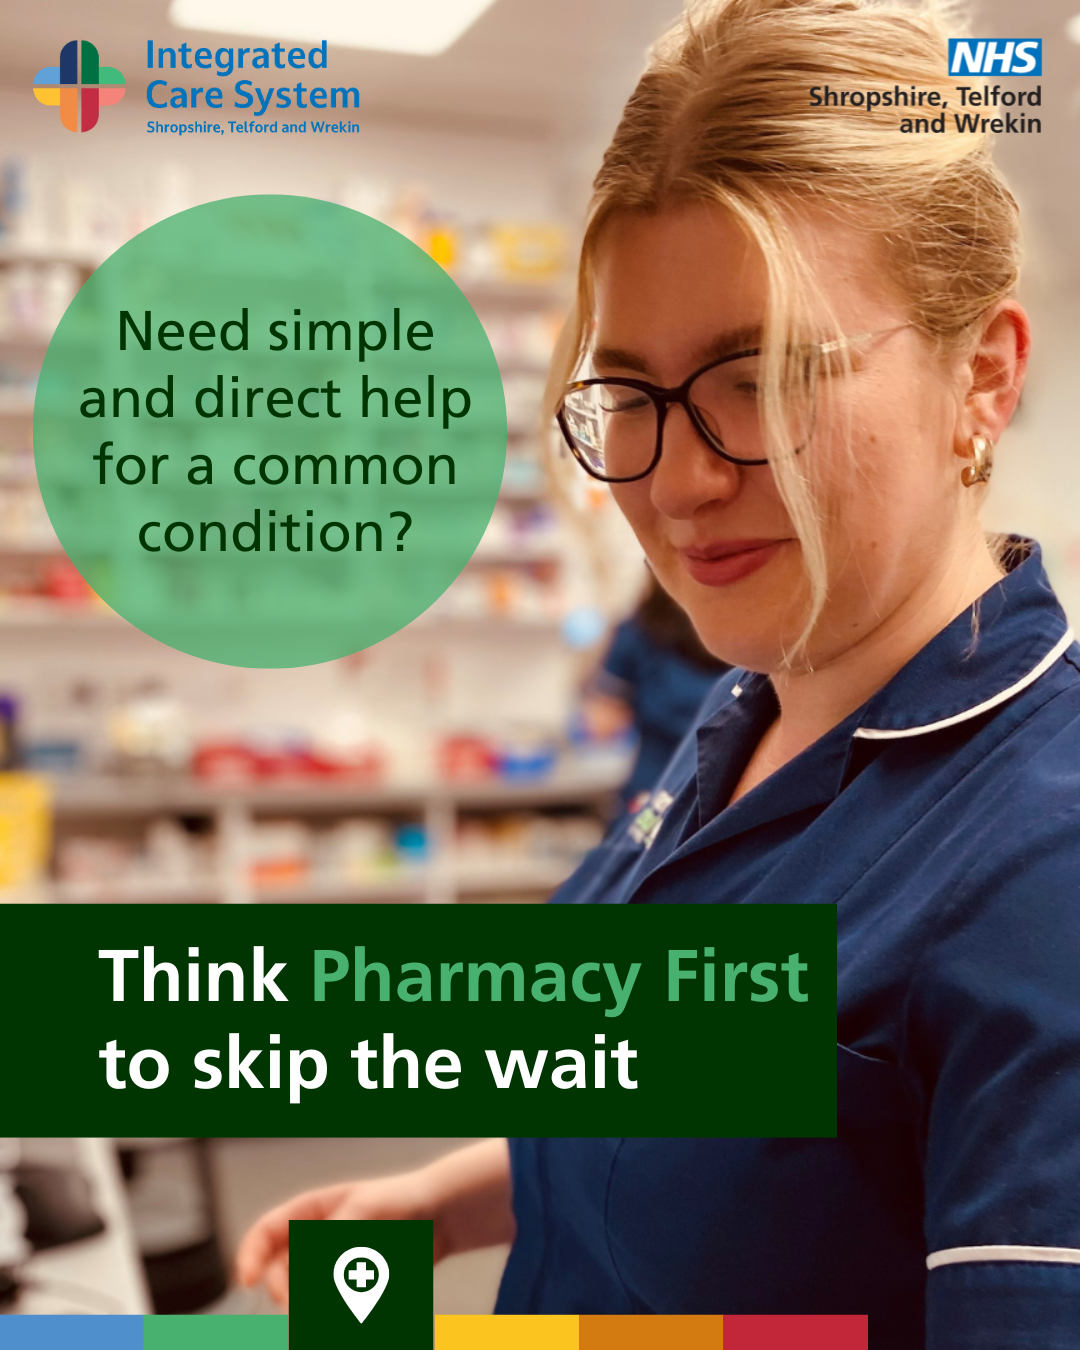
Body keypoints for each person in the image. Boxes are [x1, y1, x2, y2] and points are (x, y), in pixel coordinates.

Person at [237, 0, 1080, 1342]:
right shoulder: (744, 721)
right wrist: (445, 1198)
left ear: (982, 375)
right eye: (628, 391)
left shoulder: (1043, 868)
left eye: (763, 376)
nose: (680, 479)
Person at [579, 570, 730, 811]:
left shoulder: (638, 631)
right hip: (726, 795)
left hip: (653, 794)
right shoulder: (748, 635)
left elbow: (601, 725)